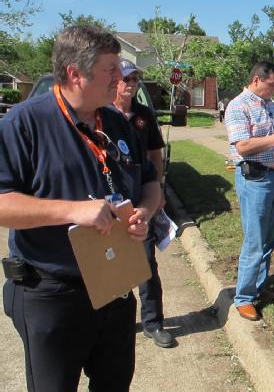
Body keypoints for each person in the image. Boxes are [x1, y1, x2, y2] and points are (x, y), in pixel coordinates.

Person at [0, 26, 161, 391]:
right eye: (111, 70)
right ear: (75, 73)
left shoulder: (118, 122)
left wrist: (145, 213)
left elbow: (150, 183)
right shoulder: (24, 124)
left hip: (116, 286)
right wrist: (72, 211)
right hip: (53, 294)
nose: (121, 79)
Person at [224, 61, 274, 321]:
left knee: (269, 240)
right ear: (256, 80)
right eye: (271, 84)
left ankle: (259, 287)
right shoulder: (238, 106)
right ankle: (243, 298)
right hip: (255, 178)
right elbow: (243, 145)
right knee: (255, 241)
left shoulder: (270, 105)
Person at [112, 59, 175, 348]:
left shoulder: (143, 115)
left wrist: (158, 190)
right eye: (127, 78)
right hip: (109, 202)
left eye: (135, 78)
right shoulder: (100, 115)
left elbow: (155, 155)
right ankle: (113, 324)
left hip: (140, 199)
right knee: (111, 264)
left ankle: (153, 323)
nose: (131, 83)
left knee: (145, 263)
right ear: (114, 81)